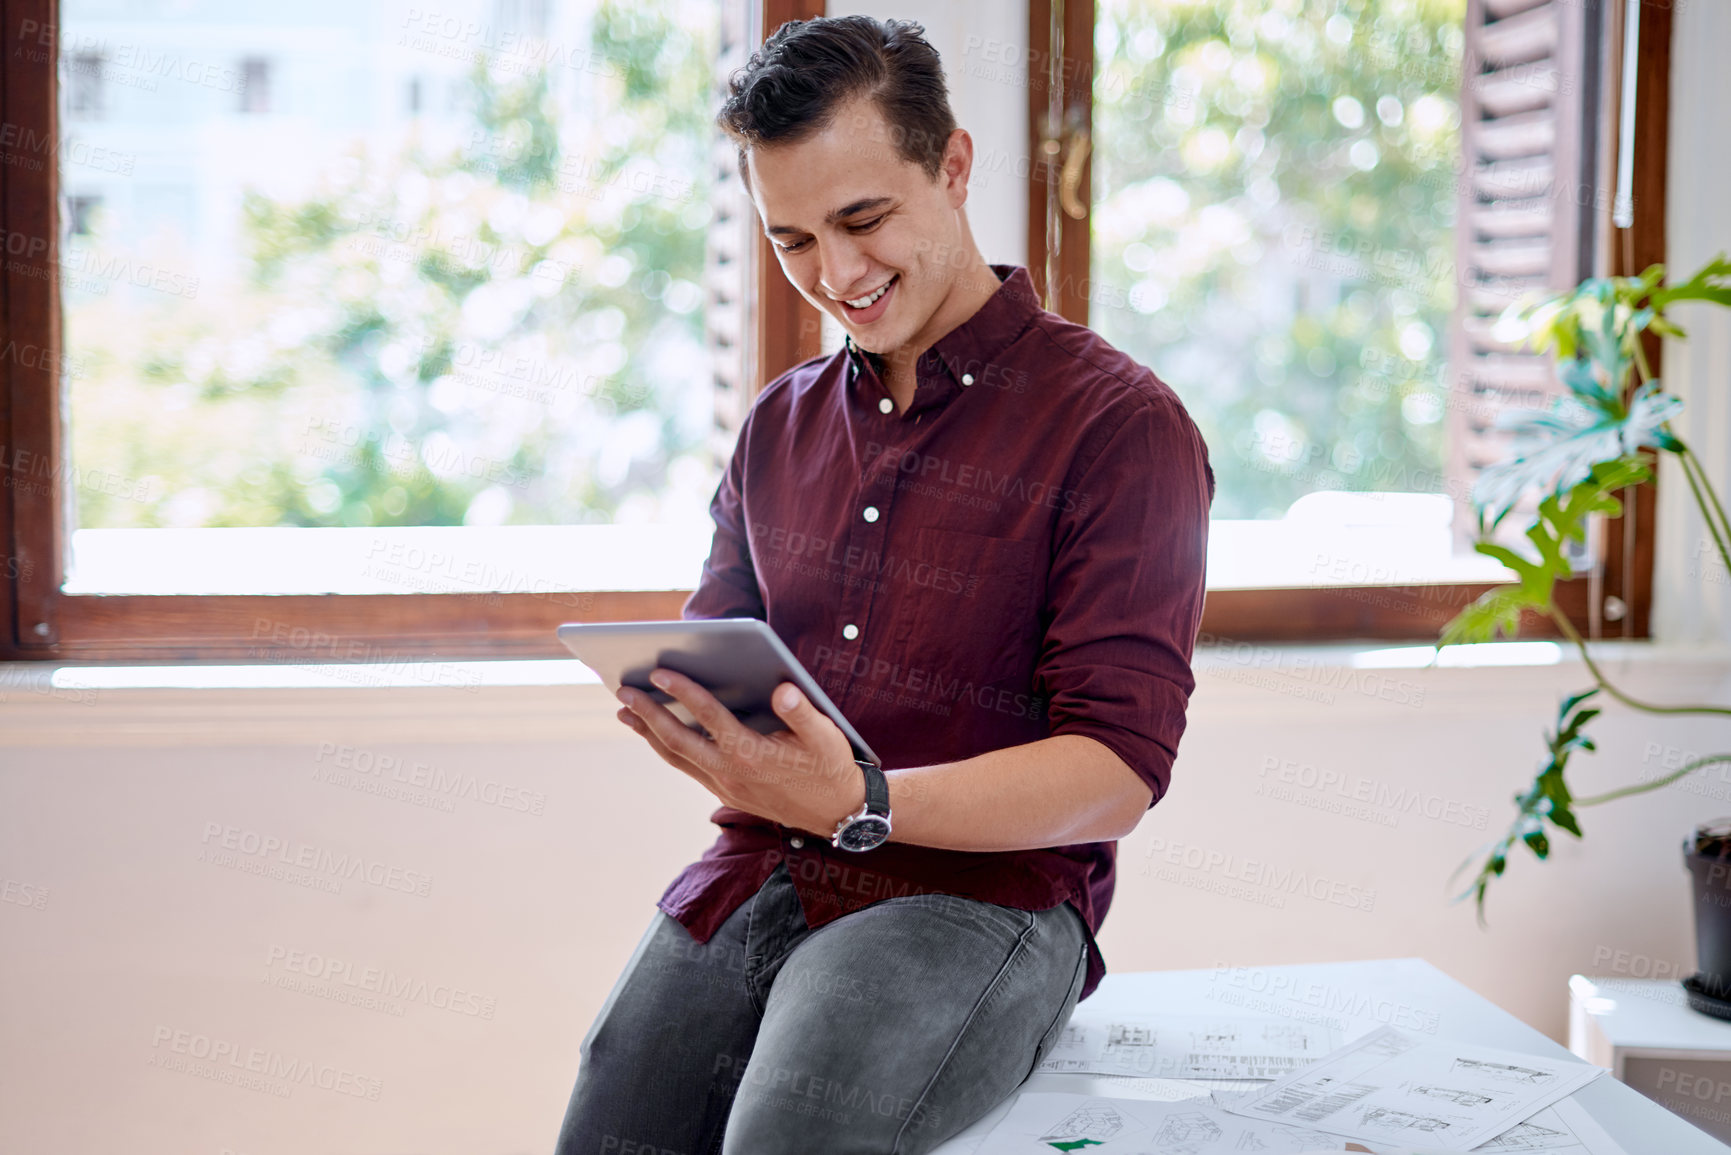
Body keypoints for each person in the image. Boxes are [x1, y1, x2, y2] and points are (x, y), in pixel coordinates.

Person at [553, 14, 1213, 1154]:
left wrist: (863, 804)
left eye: (864, 220)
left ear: (953, 167)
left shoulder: (1120, 428)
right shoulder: (779, 425)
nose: (838, 274)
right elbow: (727, 652)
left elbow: (1116, 774)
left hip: (984, 898)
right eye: (794, 239)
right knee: (612, 1121)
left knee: (794, 1135)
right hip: (764, 866)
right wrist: (701, 722)